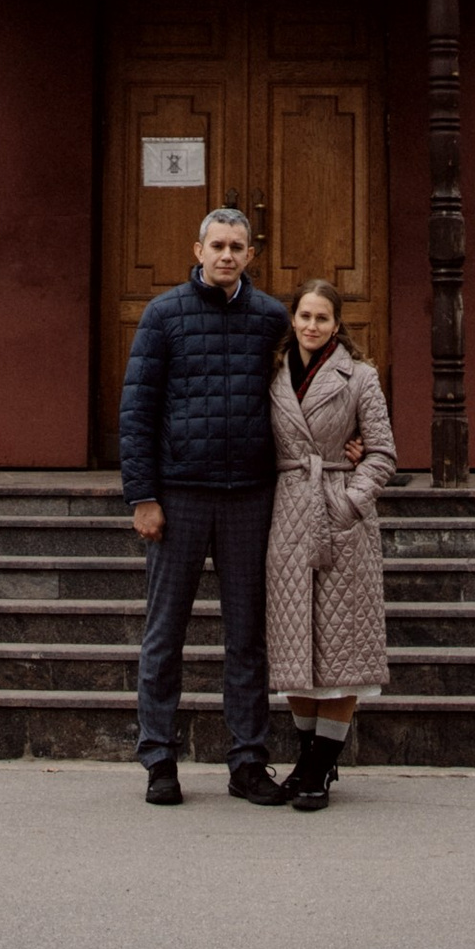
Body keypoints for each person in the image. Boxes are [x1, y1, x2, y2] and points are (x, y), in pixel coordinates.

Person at [119, 203, 289, 805]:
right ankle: (159, 759)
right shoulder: (164, 315)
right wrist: (142, 495)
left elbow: (312, 389)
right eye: (215, 245)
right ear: (198, 251)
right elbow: (137, 410)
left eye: (236, 247)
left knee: (248, 637)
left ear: (251, 254)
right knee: (165, 634)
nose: (225, 255)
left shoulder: (272, 317)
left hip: (249, 498)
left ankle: (247, 762)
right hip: (179, 497)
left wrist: (348, 437)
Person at [264, 277, 397, 810]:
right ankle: (306, 759)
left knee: (342, 647)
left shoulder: (360, 377)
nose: (312, 326)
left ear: (337, 325)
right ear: (291, 320)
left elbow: (384, 453)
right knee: (294, 643)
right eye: (304, 316)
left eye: (323, 318)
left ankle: (318, 768)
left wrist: (348, 500)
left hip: (341, 520)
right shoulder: (271, 375)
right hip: (285, 516)